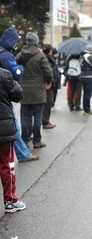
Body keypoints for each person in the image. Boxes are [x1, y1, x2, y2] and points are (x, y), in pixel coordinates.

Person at [0, 27, 39, 162]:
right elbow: (16, 73)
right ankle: (23, 154)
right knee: (13, 126)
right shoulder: (7, 55)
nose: (16, 46)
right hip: (4, 95)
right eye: (15, 42)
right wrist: (21, 65)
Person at [16, 32, 53, 148]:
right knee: (37, 115)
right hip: (38, 89)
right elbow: (48, 71)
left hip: (24, 90)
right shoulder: (40, 55)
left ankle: (24, 141)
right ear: (36, 42)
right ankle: (37, 141)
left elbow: (14, 70)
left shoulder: (20, 55)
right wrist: (48, 82)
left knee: (25, 116)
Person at [0, 67, 26, 212]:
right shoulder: (3, 74)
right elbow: (18, 94)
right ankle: (10, 200)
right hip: (3, 126)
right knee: (6, 164)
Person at [80, 44, 92, 116]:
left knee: (85, 94)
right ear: (90, 50)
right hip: (88, 76)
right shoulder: (88, 56)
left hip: (82, 76)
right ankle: (87, 110)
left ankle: (86, 109)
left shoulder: (81, 56)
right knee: (88, 94)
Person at [42, 44, 56, 129]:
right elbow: (48, 71)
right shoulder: (45, 58)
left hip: (47, 83)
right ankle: (45, 122)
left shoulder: (45, 57)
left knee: (47, 103)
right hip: (47, 84)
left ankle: (46, 121)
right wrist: (49, 82)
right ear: (49, 50)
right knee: (47, 104)